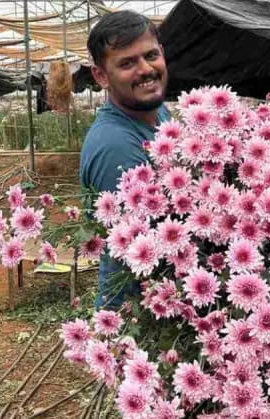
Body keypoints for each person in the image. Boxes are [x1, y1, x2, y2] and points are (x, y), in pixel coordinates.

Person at [79, 10, 170, 309]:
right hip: (138, 312)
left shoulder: (159, 112)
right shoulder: (115, 145)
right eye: (127, 63)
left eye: (151, 55)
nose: (146, 69)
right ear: (101, 76)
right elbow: (150, 247)